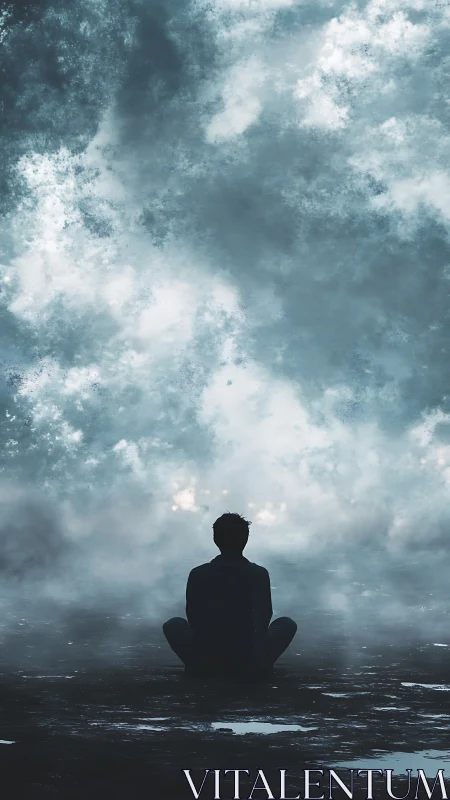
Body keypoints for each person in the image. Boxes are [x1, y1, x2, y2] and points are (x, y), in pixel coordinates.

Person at [162, 512, 297, 676]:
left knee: (174, 624)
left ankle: (200, 664)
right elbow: (264, 616)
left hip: (206, 656)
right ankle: (258, 662)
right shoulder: (258, 573)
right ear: (245, 539)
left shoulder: (198, 573)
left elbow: (193, 616)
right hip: (249, 657)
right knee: (286, 624)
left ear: (215, 539)